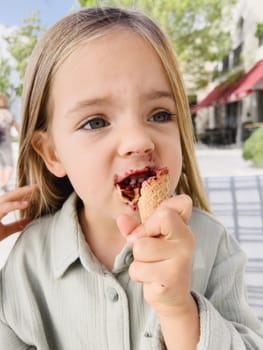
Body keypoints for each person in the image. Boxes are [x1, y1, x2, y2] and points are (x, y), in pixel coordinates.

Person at [0, 7, 262, 350]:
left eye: (159, 114)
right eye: (95, 122)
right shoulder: (27, 262)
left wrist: (180, 311)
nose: (139, 140)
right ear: (51, 153)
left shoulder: (213, 246)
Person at [0, 93, 19, 193]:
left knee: (2, 165)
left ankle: (3, 184)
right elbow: (17, 128)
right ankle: (4, 183)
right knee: (9, 165)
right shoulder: (8, 113)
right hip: (5, 144)